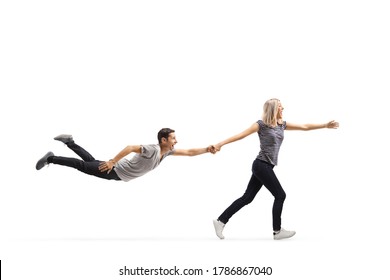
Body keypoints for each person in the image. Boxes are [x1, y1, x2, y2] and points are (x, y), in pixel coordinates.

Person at [211, 98, 339, 240]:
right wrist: (220, 144)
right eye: (280, 106)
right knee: (280, 195)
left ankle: (220, 221)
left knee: (247, 197)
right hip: (261, 165)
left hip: (265, 166)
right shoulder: (261, 125)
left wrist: (325, 125)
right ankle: (277, 231)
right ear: (273, 108)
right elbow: (240, 135)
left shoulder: (282, 125)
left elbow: (304, 126)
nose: (283, 108)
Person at [36, 128, 214, 182]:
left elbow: (190, 152)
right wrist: (113, 161)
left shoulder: (166, 153)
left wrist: (208, 149)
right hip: (114, 170)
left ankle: (70, 142)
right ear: (163, 140)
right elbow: (130, 147)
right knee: (82, 166)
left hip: (117, 172)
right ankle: (51, 158)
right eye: (173, 138)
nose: (176, 141)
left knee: (89, 161)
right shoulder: (152, 149)